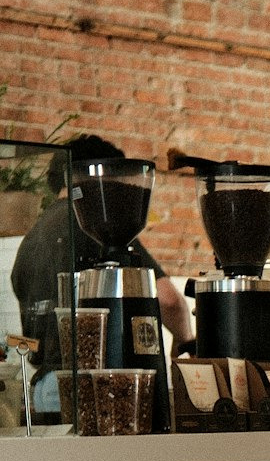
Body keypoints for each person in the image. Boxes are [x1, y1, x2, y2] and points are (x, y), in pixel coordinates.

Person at [11, 134, 194, 374]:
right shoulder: (96, 225)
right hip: (96, 382)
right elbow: (168, 300)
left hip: (44, 384)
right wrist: (187, 340)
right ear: (96, 178)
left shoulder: (31, 238)